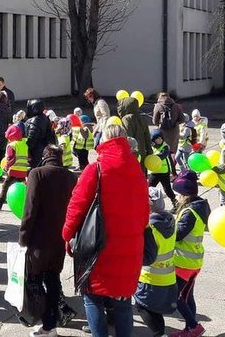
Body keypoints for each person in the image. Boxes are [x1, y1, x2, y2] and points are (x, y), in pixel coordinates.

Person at [63, 123, 149, 337]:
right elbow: (145, 210)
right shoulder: (136, 168)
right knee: (122, 301)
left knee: (92, 296)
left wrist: (67, 233)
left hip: (99, 246)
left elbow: (77, 203)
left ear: (103, 141)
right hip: (130, 245)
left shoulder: (96, 168)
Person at [21, 144, 77, 336]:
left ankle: (46, 323)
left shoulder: (37, 174)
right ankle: (51, 324)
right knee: (53, 279)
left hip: (39, 238)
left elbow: (30, 208)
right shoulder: (70, 176)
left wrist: (23, 236)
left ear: (45, 156)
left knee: (35, 280)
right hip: (60, 237)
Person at [171, 171, 210, 337]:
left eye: (177, 194)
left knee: (175, 296)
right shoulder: (199, 206)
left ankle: (194, 326)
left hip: (184, 261)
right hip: (193, 260)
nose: (176, 197)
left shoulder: (189, 212)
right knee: (187, 296)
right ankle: (190, 328)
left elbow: (178, 235)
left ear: (183, 194)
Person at [134, 188, 178, 337]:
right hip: (168, 276)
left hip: (150, 277)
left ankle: (159, 334)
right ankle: (160, 333)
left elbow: (148, 257)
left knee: (141, 306)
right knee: (154, 309)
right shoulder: (171, 221)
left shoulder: (150, 228)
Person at [0, 124, 29, 210]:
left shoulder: (11, 145)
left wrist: (6, 167)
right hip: (23, 170)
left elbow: (11, 158)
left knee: (5, 186)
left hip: (14, 170)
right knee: (23, 188)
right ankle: (26, 204)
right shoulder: (24, 144)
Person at [118, 96, 151, 167]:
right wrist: (149, 152)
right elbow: (147, 136)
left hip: (133, 152)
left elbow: (128, 136)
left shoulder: (126, 119)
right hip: (142, 151)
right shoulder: (141, 117)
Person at [24, 99, 57, 169]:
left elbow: (32, 137)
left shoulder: (36, 120)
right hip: (41, 146)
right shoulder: (44, 117)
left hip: (36, 148)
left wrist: (27, 148)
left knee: (35, 167)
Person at [146, 130, 176, 206]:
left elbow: (163, 155)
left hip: (164, 173)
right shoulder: (151, 147)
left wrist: (153, 157)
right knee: (149, 189)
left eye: (161, 138)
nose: (160, 140)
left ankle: (175, 203)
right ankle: (148, 204)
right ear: (153, 140)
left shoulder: (165, 147)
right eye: (157, 139)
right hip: (154, 172)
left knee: (167, 190)